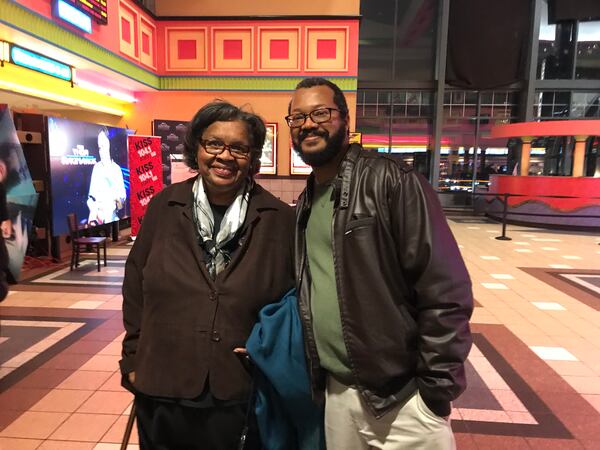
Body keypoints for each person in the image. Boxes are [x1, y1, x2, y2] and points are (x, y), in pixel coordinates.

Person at [287, 77, 473, 450]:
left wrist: (435, 391)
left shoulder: (393, 180)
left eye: (320, 112)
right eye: (297, 117)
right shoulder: (307, 201)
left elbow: (445, 288)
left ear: (345, 120)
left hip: (403, 398)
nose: (308, 124)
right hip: (338, 394)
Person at [120, 101, 295, 449]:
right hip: (162, 384)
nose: (225, 156)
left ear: (252, 156)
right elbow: (136, 285)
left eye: (239, 148)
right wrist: (133, 361)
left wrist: (269, 352)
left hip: (238, 389)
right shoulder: (164, 206)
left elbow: (291, 302)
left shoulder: (278, 218)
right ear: (197, 147)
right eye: (214, 143)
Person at [87, 127, 127, 225]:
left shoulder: (116, 169)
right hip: (97, 220)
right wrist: (94, 215)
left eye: (104, 146)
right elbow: (91, 198)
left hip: (113, 220)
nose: (102, 150)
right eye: (100, 147)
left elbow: (122, 199)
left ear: (109, 144)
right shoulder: (97, 168)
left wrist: (116, 204)